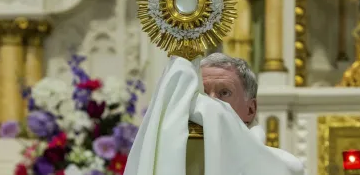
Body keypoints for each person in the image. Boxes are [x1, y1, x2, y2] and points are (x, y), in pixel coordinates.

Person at [125, 55, 304, 175]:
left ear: (251, 109)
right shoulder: (159, 160)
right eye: (202, 94)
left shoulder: (282, 168)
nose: (209, 104)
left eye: (224, 93)